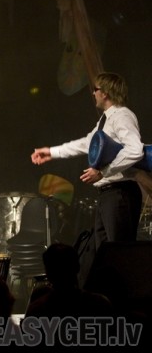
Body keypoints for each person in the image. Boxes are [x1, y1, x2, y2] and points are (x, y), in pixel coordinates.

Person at [31, 72, 144, 252]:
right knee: (104, 253)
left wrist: (103, 172)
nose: (93, 93)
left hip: (120, 193)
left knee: (119, 253)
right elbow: (86, 143)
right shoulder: (105, 120)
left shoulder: (122, 116)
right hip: (108, 194)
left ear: (105, 92)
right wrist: (52, 152)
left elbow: (135, 150)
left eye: (95, 89)